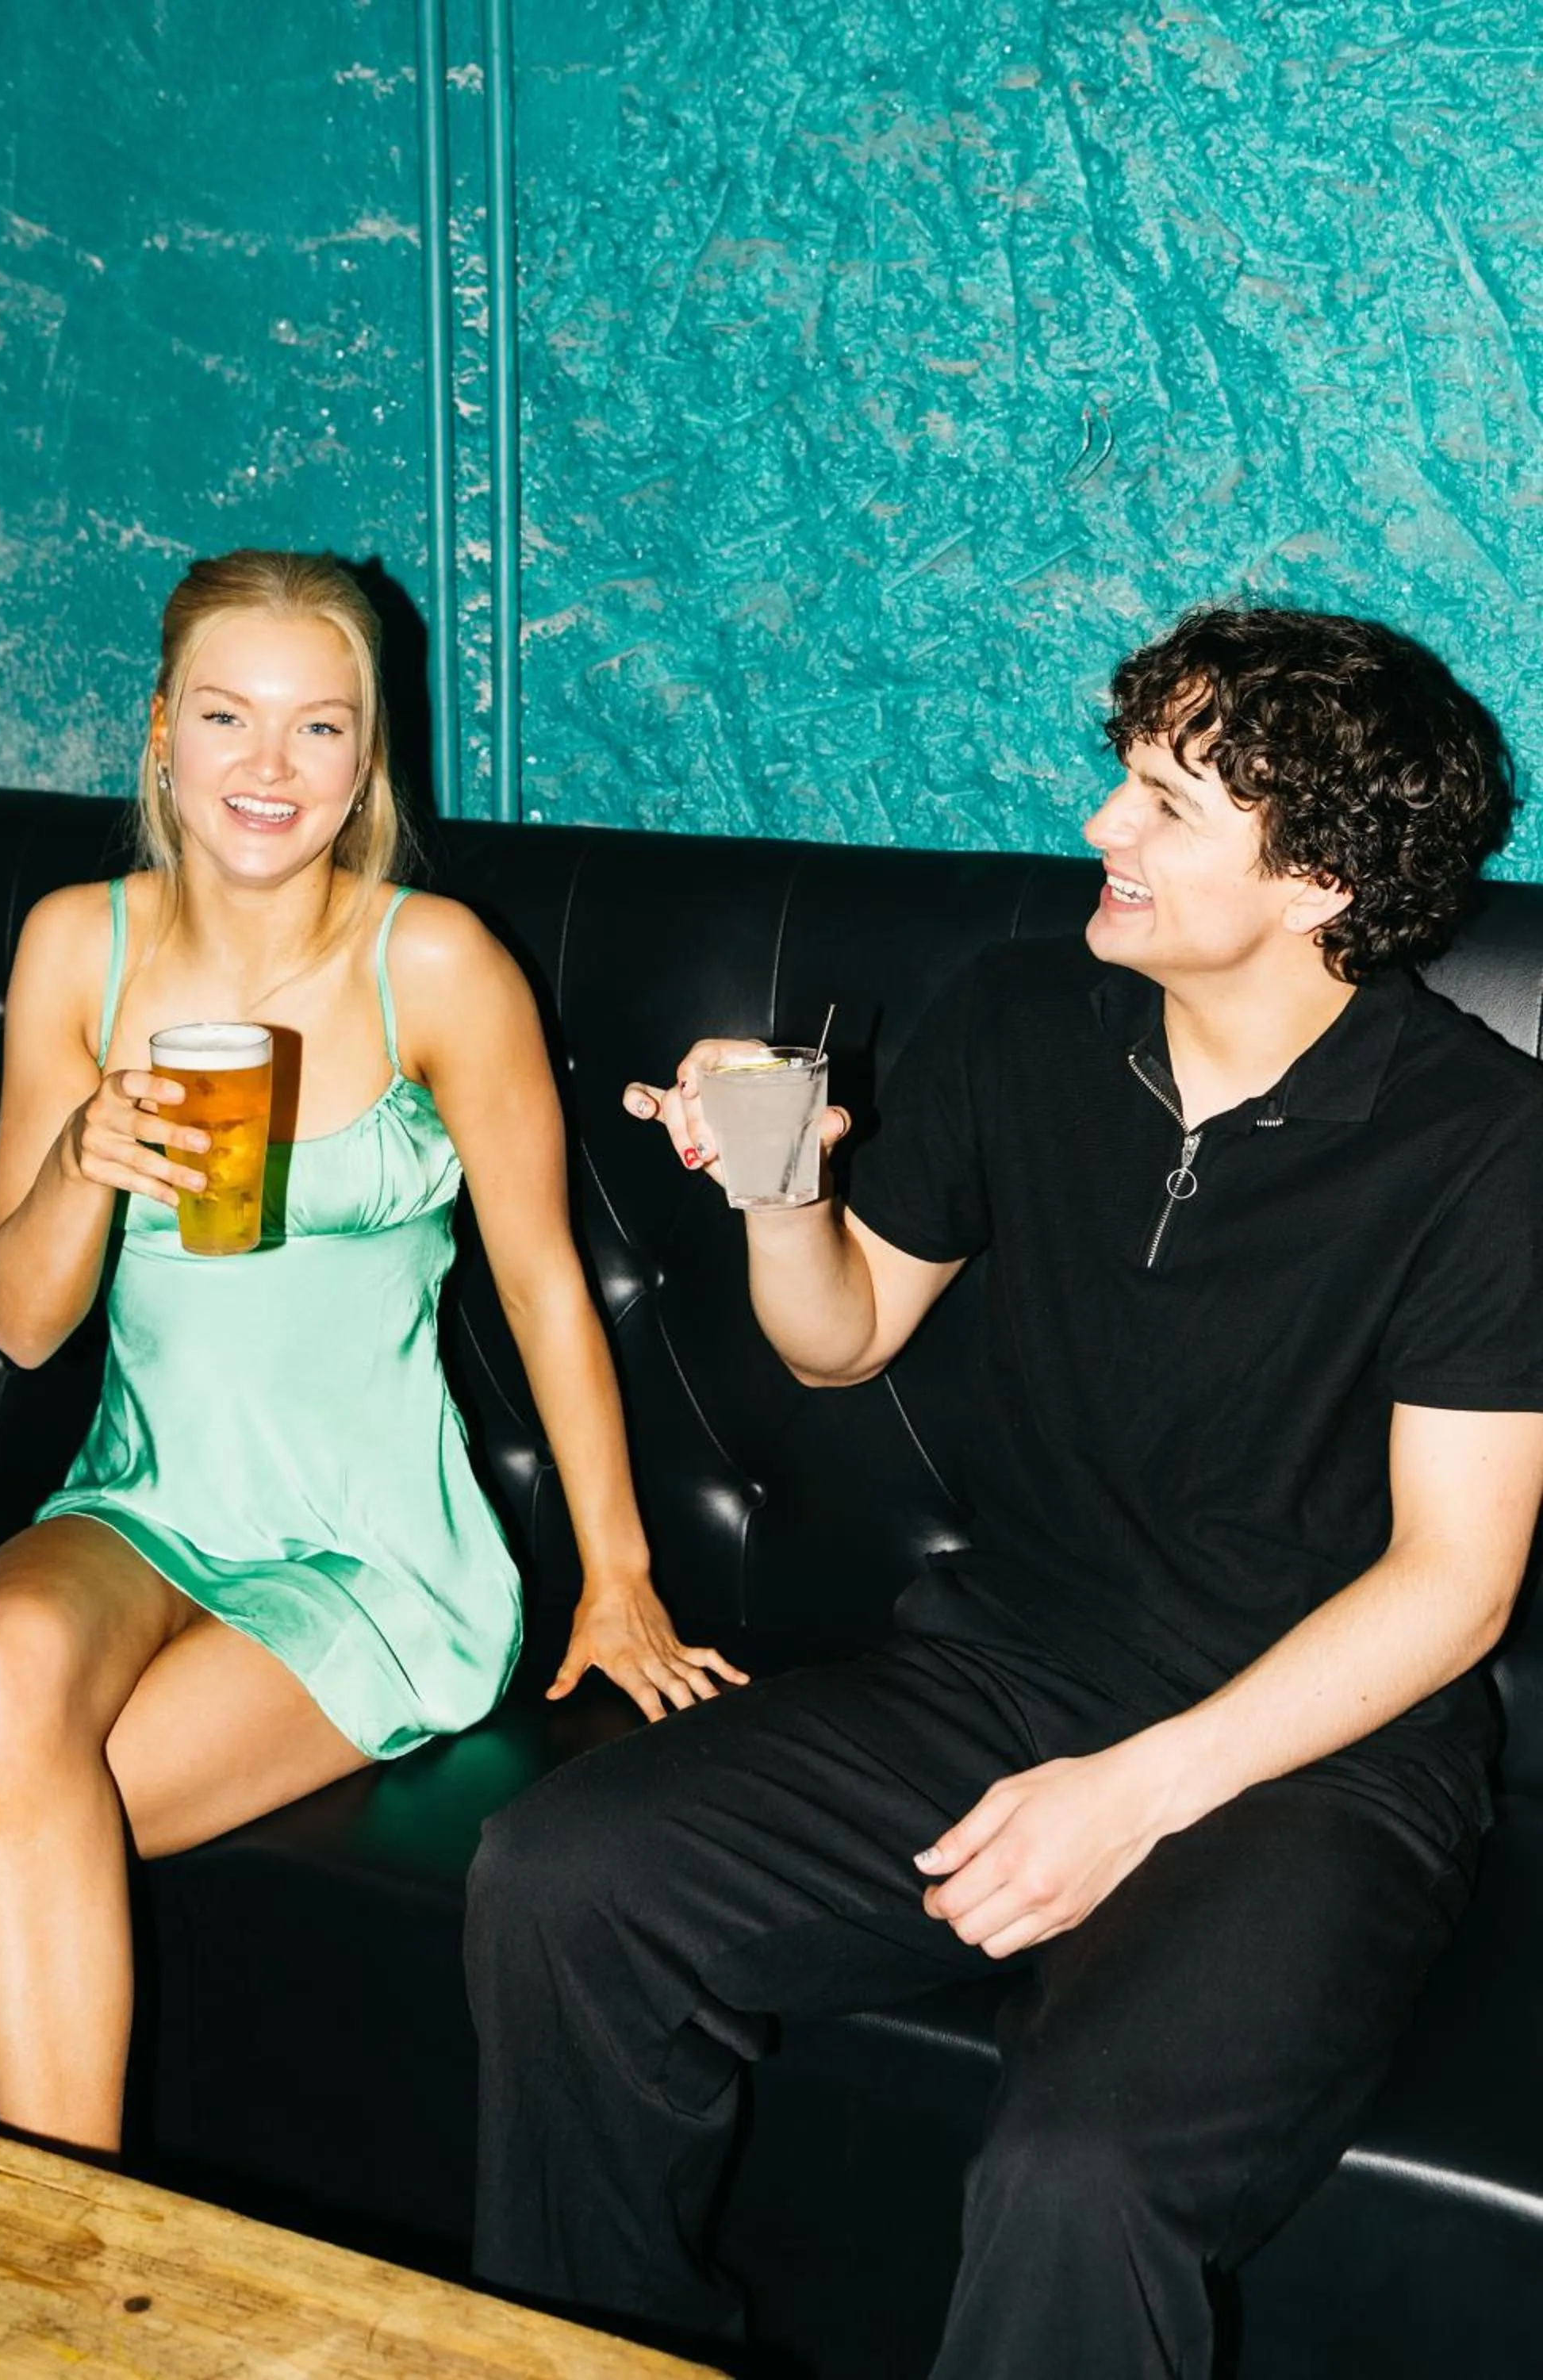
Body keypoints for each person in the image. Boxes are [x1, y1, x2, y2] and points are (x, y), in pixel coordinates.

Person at [464, 607, 1543, 2378]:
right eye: (1123, 779)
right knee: (563, 1879)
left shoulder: (1484, 1149)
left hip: (1316, 1761)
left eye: (1168, 804)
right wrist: (773, 1185)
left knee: (1079, 2173)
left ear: (1321, 880)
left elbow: (1453, 1586)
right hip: (1002, 1671)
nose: (1103, 829)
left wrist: (1129, 1797)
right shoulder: (1027, 1014)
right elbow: (839, 1341)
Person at [0, 547, 743, 2159]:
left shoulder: (434, 961)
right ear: (160, 726)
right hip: (145, 1507)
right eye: (229, 716)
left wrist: (617, 1577)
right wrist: (80, 1167)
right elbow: (21, 1323)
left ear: (368, 756)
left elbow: (544, 1285)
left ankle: (55, 2277)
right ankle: (69, 2283)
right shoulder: (71, 948)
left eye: (321, 729)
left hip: (370, 1549)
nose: (270, 767)